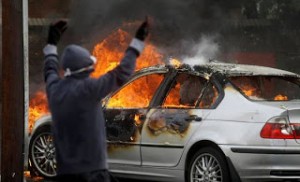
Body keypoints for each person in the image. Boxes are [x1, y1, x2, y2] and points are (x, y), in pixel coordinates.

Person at [43, 19, 149, 182]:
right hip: (93, 174)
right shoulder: (90, 89)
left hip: (65, 174)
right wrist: (137, 42)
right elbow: (122, 72)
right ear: (87, 69)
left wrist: (51, 44)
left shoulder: (54, 89)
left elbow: (49, 69)